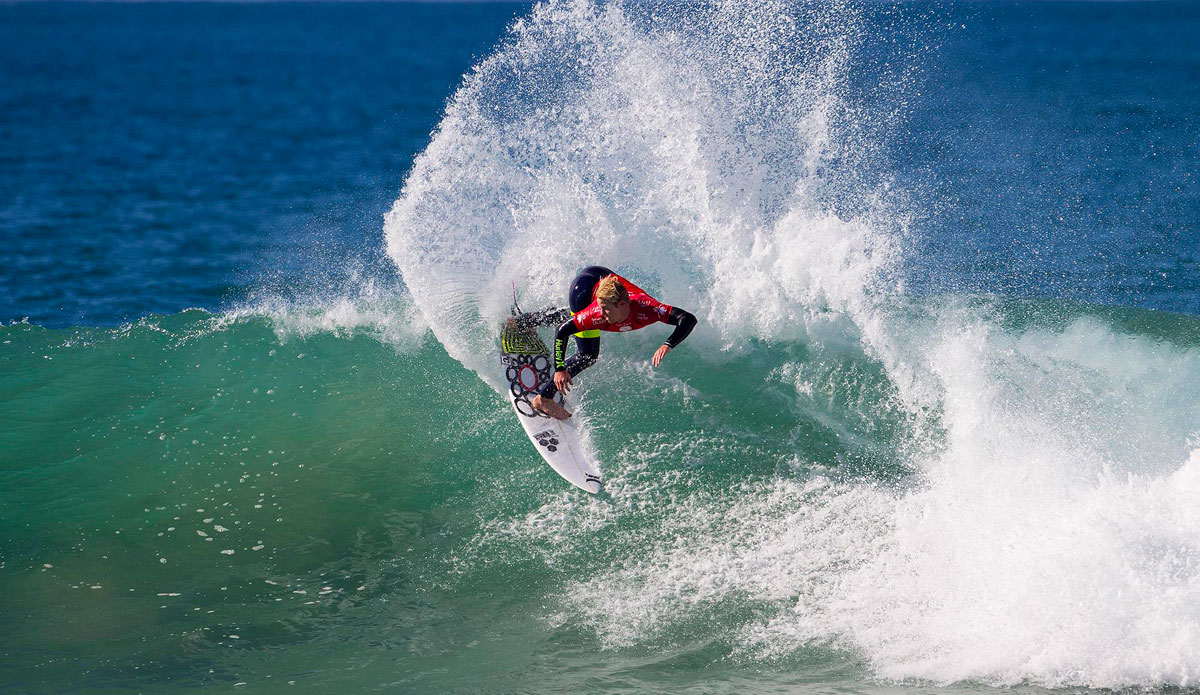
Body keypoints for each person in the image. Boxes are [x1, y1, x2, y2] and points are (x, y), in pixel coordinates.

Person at [511, 266, 697, 419]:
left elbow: (687, 319)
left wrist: (668, 344)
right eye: (601, 309)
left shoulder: (647, 308)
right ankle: (544, 398)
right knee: (587, 354)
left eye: (606, 310)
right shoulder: (598, 312)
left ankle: (524, 322)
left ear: (622, 305)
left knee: (577, 318)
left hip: (602, 280)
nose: (602, 315)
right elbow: (563, 332)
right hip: (583, 291)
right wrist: (560, 368)